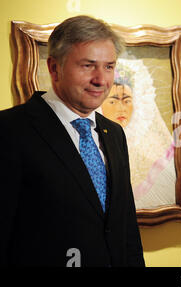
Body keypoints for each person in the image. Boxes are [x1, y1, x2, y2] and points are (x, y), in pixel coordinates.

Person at [0, 15, 145, 267]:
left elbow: (125, 226)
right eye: (88, 65)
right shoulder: (9, 130)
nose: (101, 80)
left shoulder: (114, 133)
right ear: (54, 68)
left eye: (109, 66)